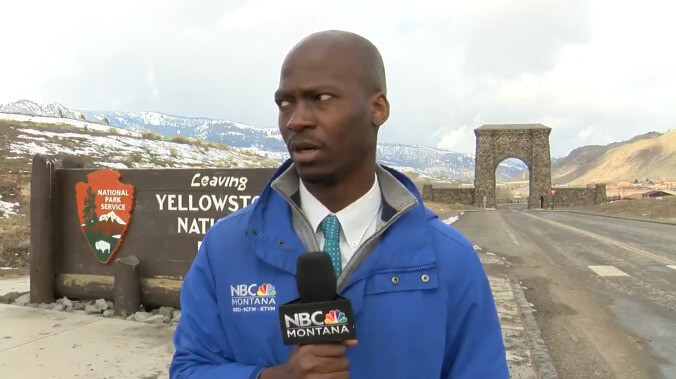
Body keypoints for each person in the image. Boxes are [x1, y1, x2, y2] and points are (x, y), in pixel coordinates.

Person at [169, 30, 509, 378]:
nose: (295, 120)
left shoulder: (448, 258)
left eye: (321, 97)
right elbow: (189, 369)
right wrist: (273, 377)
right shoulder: (226, 247)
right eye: (285, 103)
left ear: (377, 108)